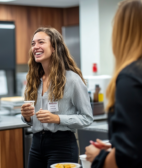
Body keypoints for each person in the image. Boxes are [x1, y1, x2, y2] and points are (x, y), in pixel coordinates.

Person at [85, 0, 142, 167]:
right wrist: (116, 146)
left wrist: (99, 157)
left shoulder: (131, 78)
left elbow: (126, 158)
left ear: (123, 33)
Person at [21, 27, 93, 168]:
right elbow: (30, 121)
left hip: (62, 146)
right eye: (33, 43)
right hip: (36, 146)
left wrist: (57, 119)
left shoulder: (72, 79)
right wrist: (26, 116)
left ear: (54, 47)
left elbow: (87, 118)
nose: (36, 47)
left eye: (41, 42)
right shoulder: (33, 80)